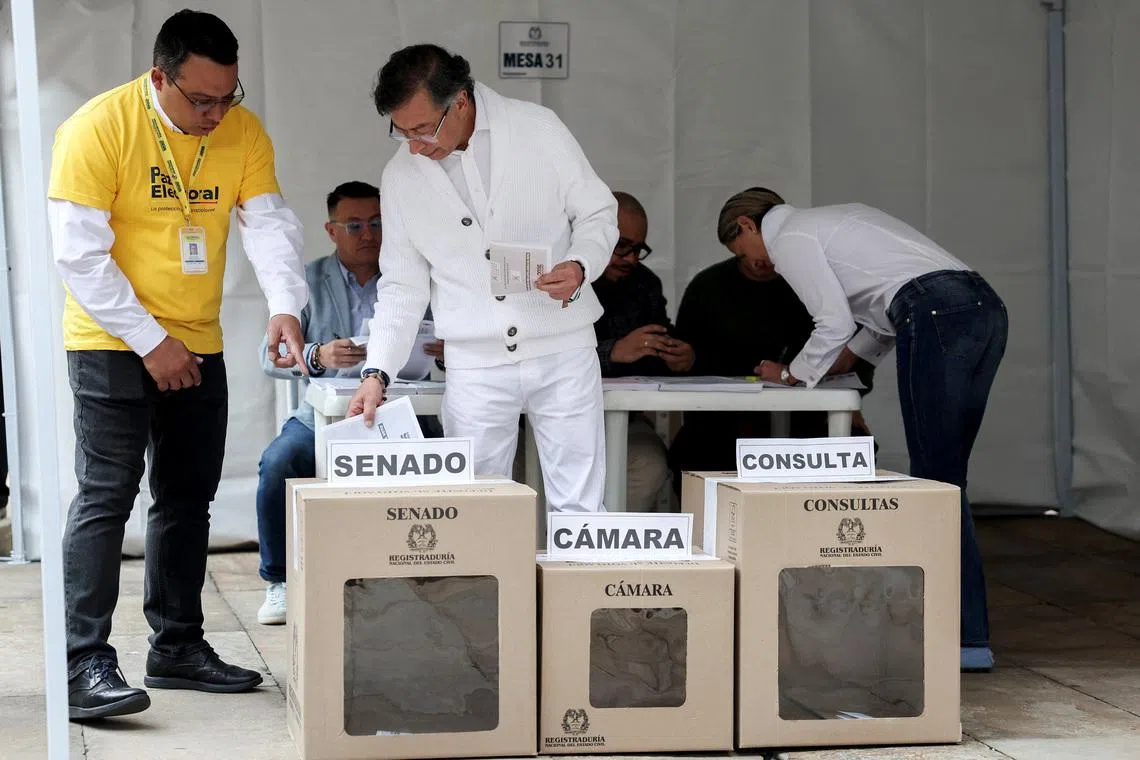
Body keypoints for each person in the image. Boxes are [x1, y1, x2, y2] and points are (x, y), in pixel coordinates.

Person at [48, 10, 309, 720]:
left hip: (199, 337)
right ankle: (83, 663)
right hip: (110, 338)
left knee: (187, 497)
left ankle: (177, 645)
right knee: (107, 494)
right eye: (200, 100)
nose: (216, 113)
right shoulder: (97, 129)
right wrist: (151, 344)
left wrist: (287, 304)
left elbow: (270, 222)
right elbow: (79, 255)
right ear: (159, 77)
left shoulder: (241, 131)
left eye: (228, 97)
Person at [717, 187, 1007, 673]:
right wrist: (835, 364)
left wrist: (792, 374)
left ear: (747, 226)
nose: (754, 262)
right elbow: (879, 318)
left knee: (935, 482)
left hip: (933, 312)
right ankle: (967, 636)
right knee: (949, 478)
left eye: (741, 251)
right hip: (984, 309)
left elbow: (831, 322)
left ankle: (957, 636)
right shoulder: (835, 219)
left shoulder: (788, 236)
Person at [347, 44, 618, 514]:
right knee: (475, 509)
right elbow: (401, 286)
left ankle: (573, 585)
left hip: (562, 347)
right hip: (474, 361)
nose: (413, 145)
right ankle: (488, 591)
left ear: (461, 103)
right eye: (400, 131)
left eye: (422, 129)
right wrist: (377, 372)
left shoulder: (537, 128)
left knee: (579, 504)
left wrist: (579, 265)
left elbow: (597, 212)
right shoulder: (400, 177)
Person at [254, 181, 442, 625]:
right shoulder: (304, 282)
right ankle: (278, 581)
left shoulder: (418, 277)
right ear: (331, 230)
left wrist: (449, 353)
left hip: (406, 409)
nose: (368, 234)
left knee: (450, 459)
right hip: (324, 415)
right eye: (354, 225)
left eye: (378, 223)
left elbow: (455, 339)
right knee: (278, 463)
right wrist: (317, 355)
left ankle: (428, 571)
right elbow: (267, 356)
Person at [668, 217, 875, 493]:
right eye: (742, 255)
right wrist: (687, 359)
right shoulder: (707, 286)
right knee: (697, 453)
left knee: (850, 444)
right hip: (724, 417)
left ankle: (823, 534)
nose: (757, 261)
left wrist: (851, 400)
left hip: (811, 414)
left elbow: (853, 351)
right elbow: (687, 363)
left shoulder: (815, 280)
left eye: (764, 251)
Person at [593, 191, 689, 510]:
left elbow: (655, 351)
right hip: (543, 421)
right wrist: (612, 351)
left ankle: (613, 555)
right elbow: (539, 355)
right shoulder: (558, 276)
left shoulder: (644, 283)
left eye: (638, 249)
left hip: (623, 419)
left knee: (649, 467)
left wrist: (680, 358)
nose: (631, 258)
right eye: (622, 246)